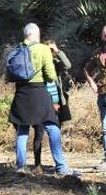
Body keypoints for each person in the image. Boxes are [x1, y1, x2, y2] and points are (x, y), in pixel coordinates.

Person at [9, 23, 76, 176]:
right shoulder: (43, 49)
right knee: (52, 126)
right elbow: (51, 75)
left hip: (21, 92)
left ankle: (20, 166)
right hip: (39, 91)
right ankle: (61, 166)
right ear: (37, 35)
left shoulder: (17, 49)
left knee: (22, 129)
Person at [32, 39, 72, 173]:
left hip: (56, 104)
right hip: (42, 103)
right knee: (39, 134)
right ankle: (37, 164)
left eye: (50, 50)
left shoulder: (55, 64)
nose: (49, 52)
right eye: (47, 50)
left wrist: (57, 51)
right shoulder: (39, 64)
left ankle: (58, 164)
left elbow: (68, 65)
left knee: (55, 133)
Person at [83, 25, 106, 171]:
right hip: (103, 92)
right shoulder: (98, 53)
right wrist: (91, 82)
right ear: (101, 36)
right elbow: (87, 69)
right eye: (105, 34)